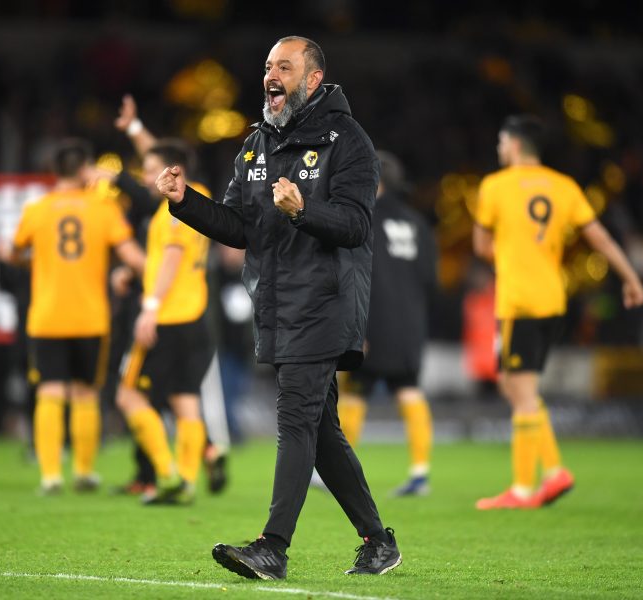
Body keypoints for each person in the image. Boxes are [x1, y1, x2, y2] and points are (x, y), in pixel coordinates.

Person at [156, 36, 401, 580]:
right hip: (277, 301)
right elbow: (239, 228)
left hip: (326, 301)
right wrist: (185, 202)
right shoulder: (256, 145)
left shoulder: (348, 141)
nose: (271, 76)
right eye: (268, 66)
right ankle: (378, 542)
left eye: (284, 67)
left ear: (312, 80)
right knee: (320, 432)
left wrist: (303, 209)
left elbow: (357, 225)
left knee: (294, 418)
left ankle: (273, 546)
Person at [472, 115, 643, 509]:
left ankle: (529, 485)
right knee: (514, 386)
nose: (499, 148)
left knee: (520, 392)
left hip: (520, 300)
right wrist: (630, 278)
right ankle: (550, 475)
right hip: (553, 299)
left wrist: (511, 255)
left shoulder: (495, 186)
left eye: (501, 141)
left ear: (515, 145)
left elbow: (481, 247)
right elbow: (599, 237)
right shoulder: (564, 186)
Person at [0, 139, 144, 494]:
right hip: (91, 316)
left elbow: (15, 253)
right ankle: (83, 471)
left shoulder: (37, 209)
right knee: (85, 393)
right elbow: (134, 258)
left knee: (49, 391)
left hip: (47, 315)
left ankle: (50, 476)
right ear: (84, 170)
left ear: (54, 170)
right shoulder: (103, 209)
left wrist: (27, 259)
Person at [110, 142, 214, 505]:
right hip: (195, 314)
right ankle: (186, 482)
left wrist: (151, 307)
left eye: (152, 169)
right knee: (186, 400)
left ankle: (167, 473)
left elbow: (172, 254)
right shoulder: (200, 196)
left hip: (168, 316)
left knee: (127, 395)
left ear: (174, 171)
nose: (145, 177)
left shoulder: (175, 206)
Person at [335, 150, 437, 497]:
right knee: (409, 389)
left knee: (354, 390)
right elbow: (430, 278)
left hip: (372, 323)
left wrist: (355, 327)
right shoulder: (417, 223)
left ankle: (337, 471)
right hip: (410, 324)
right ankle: (420, 472)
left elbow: (355, 276)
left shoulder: (364, 220)